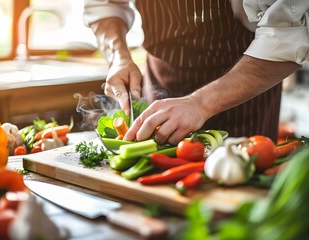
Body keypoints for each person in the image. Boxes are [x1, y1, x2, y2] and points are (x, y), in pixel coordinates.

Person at [83, 0, 308, 145]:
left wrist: (200, 104)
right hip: (161, 80)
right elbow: (105, 4)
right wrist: (118, 56)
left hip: (243, 90)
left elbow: (288, 37)